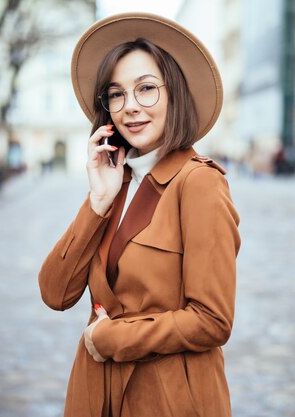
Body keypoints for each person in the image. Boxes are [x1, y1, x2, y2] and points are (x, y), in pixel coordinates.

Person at [38, 12, 241, 417]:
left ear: (175, 95)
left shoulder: (198, 183)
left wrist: (114, 337)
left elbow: (213, 320)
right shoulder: (116, 183)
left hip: (166, 399)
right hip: (95, 396)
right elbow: (55, 293)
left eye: (146, 89)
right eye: (116, 94)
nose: (130, 107)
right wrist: (97, 202)